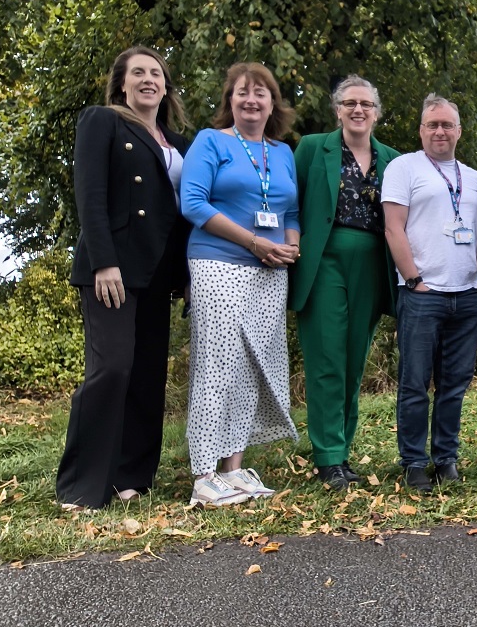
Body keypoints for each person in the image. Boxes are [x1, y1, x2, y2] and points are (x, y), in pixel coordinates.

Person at [58, 46, 191, 511]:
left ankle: (130, 476)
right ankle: (80, 485)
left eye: (156, 73)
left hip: (158, 273)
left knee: (147, 375)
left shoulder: (179, 143)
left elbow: (182, 215)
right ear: (122, 83)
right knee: (111, 368)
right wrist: (102, 261)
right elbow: (90, 195)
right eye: (138, 73)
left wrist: (186, 274)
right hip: (112, 269)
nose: (149, 79)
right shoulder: (102, 121)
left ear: (165, 86)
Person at [180, 62, 301, 506]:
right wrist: (253, 243)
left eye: (261, 93)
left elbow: (290, 213)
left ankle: (234, 468)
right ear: (229, 100)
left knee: (252, 363)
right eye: (242, 93)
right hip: (220, 262)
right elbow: (192, 202)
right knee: (218, 363)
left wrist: (290, 247)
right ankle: (203, 473)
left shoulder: (282, 152)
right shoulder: (211, 142)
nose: (251, 100)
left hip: (271, 269)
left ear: (273, 104)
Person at [290, 75, 400, 491]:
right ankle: (328, 457)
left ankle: (343, 449)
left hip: (373, 263)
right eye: (349, 103)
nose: (358, 110)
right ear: (337, 109)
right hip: (324, 260)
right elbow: (289, 204)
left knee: (354, 359)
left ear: (376, 112)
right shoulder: (312, 148)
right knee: (327, 358)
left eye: (366, 104)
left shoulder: (393, 158)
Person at [381, 94, 477, 492]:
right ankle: (414, 462)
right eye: (433, 124)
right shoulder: (403, 168)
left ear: (459, 131)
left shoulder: (474, 177)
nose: (440, 131)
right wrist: (413, 280)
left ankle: (446, 458)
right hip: (422, 294)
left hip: (466, 295)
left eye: (447, 125)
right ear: (421, 130)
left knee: (454, 384)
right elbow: (393, 227)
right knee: (414, 384)